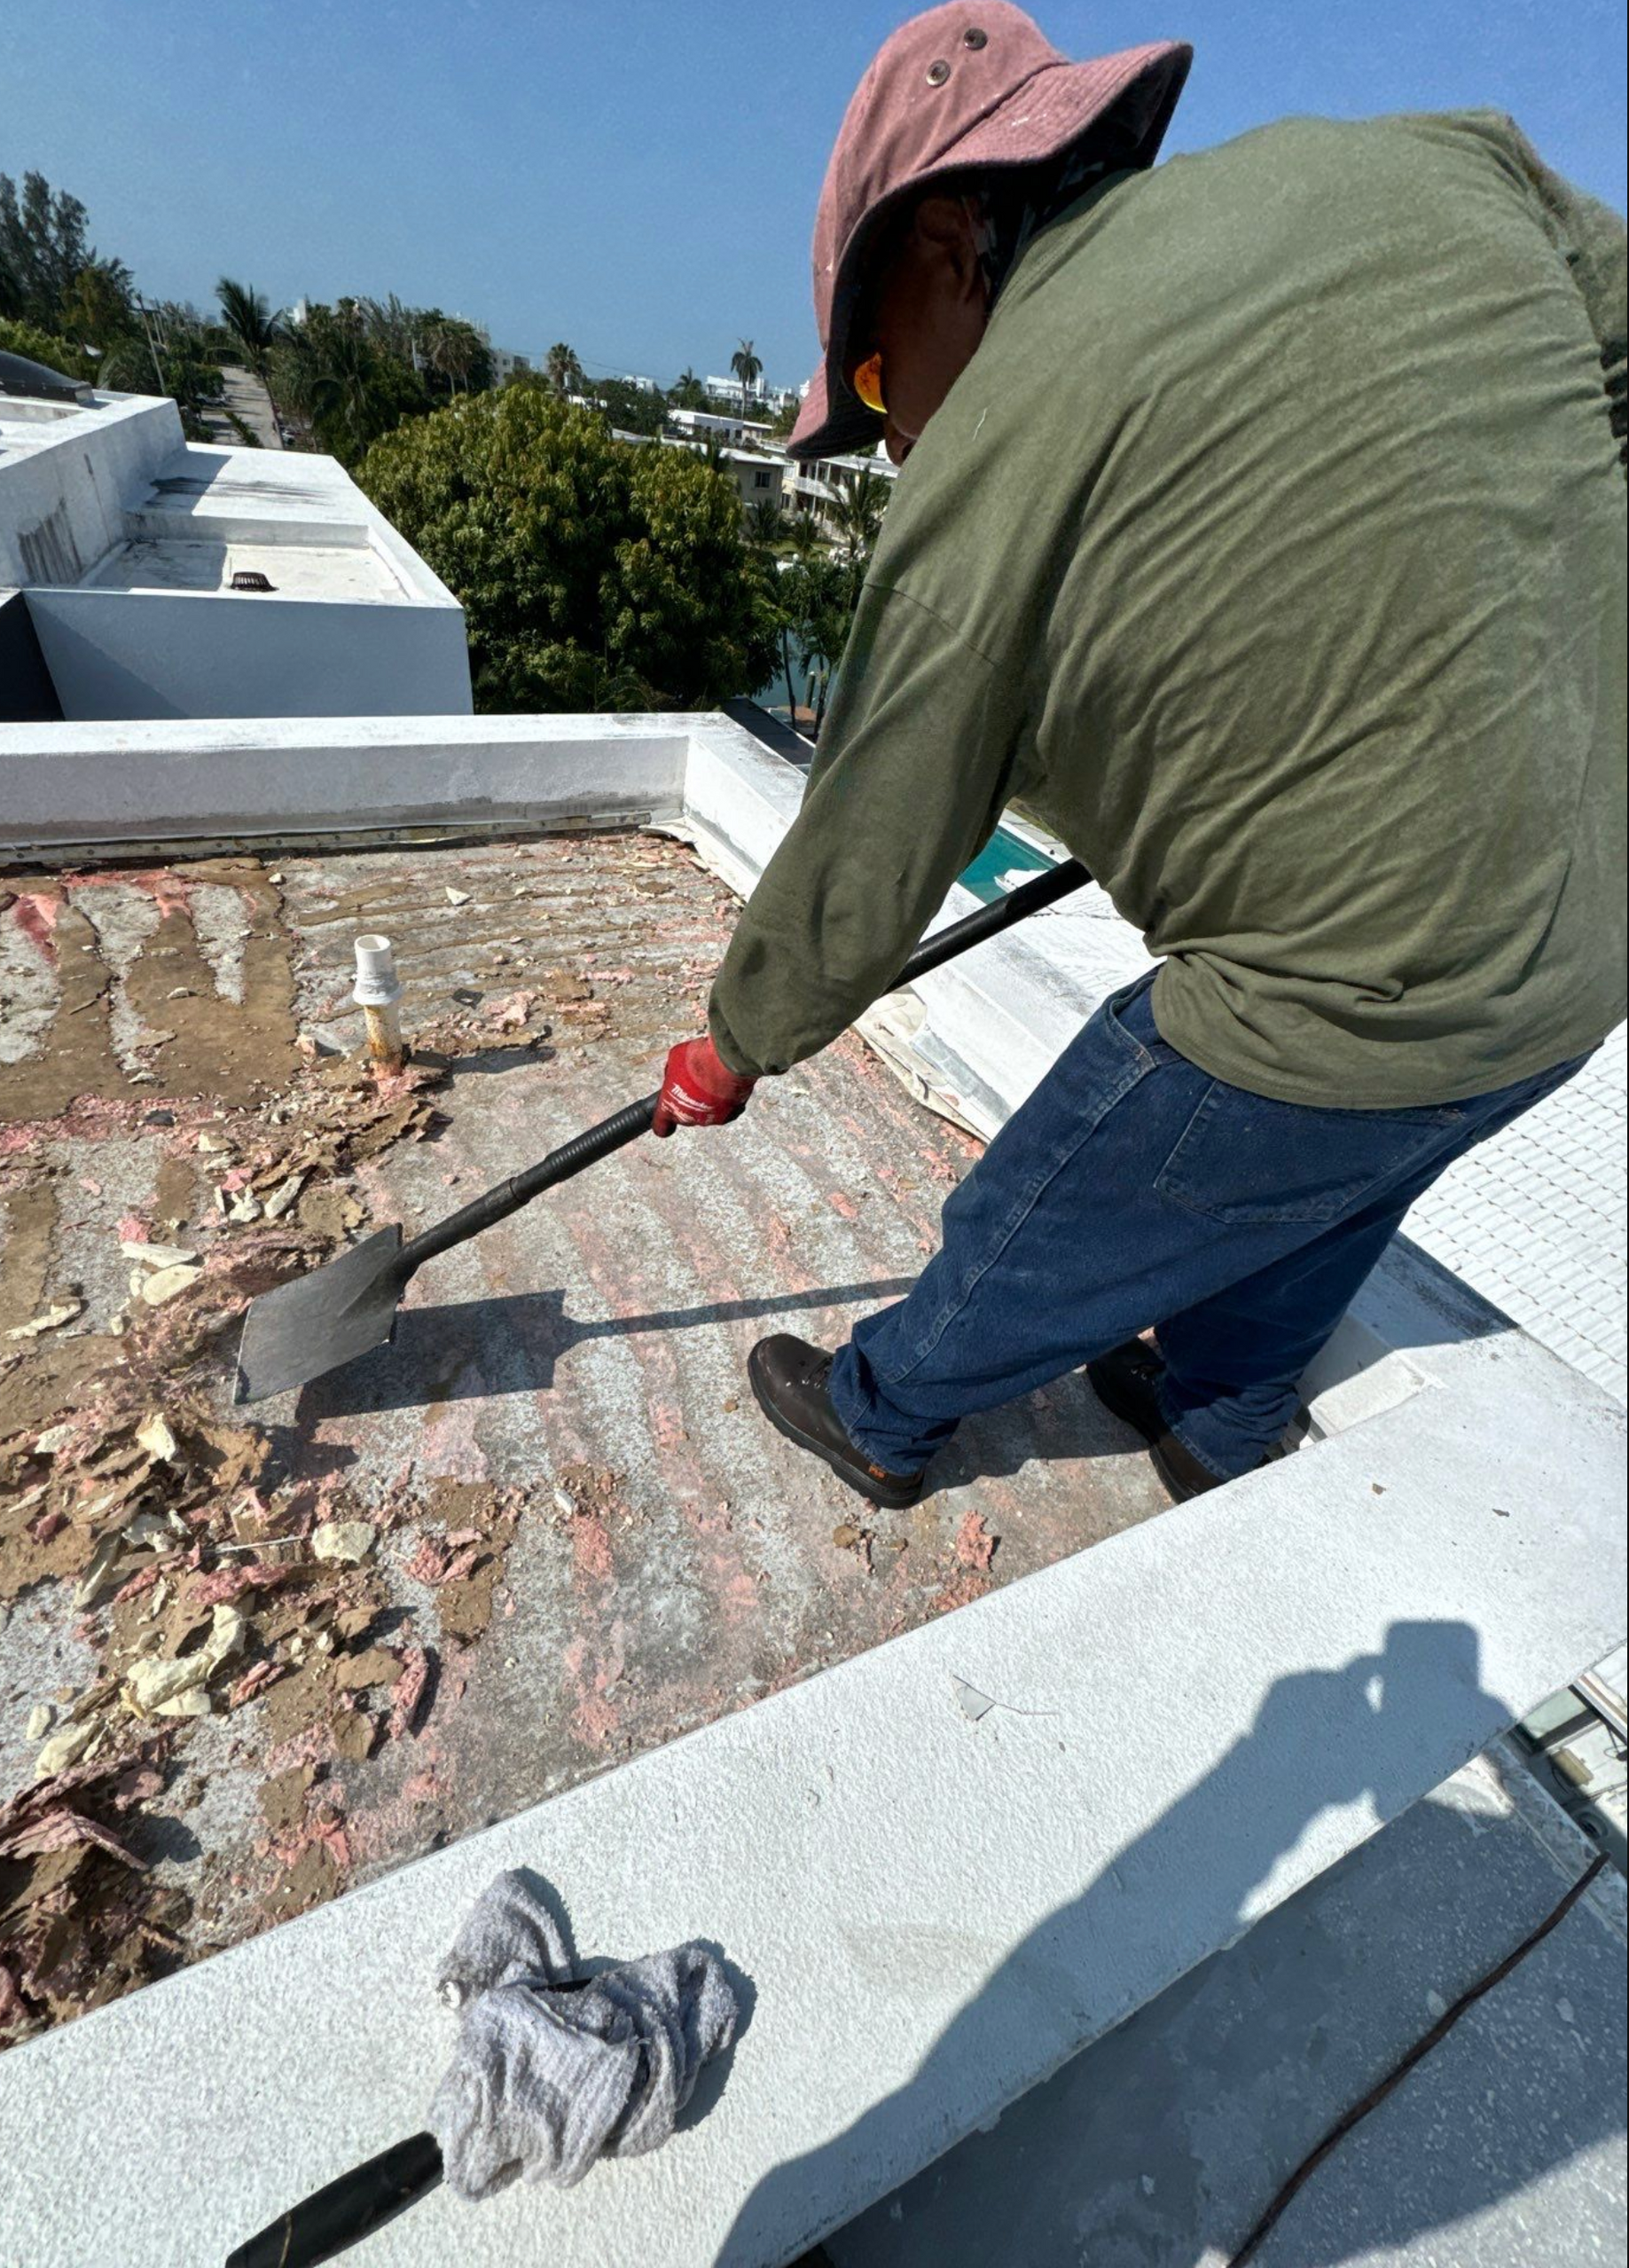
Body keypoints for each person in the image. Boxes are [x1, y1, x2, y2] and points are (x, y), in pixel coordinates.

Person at [652, 2, 1627, 1510]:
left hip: (1371, 981)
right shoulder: (1442, 166)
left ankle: (887, 1411)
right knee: (1341, 1177)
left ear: (950, 236)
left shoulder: (986, 457)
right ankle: (1213, 1416)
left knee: (1087, 1163)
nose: (892, 432)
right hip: (1584, 966)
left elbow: (881, 824)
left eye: (865, 384)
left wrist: (736, 1042)